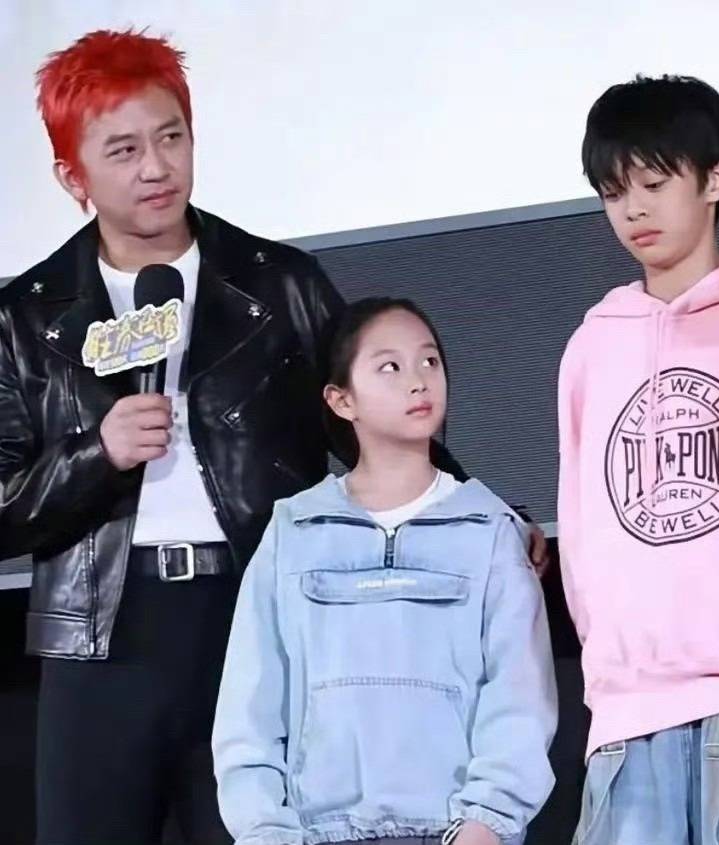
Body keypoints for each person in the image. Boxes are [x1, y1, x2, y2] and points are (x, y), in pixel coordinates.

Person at [0, 29, 544, 845]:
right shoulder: (27, 315)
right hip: (99, 640)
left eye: (171, 137)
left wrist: (482, 511)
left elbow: (374, 421)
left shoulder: (275, 280)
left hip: (255, 613)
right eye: (123, 150)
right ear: (71, 175)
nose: (156, 167)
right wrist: (95, 453)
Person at [557, 74, 719, 845]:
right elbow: (581, 517)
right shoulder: (592, 345)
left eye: (653, 183)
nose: (633, 210)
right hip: (627, 704)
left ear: (715, 179)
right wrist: (608, 661)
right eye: (613, 192)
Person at [213, 297, 558, 845]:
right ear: (341, 400)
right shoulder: (295, 530)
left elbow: (520, 697)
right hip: (318, 834)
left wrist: (487, 823)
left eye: (429, 361)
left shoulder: (489, 530)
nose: (418, 381)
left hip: (455, 833)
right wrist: (263, 830)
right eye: (390, 367)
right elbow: (249, 706)